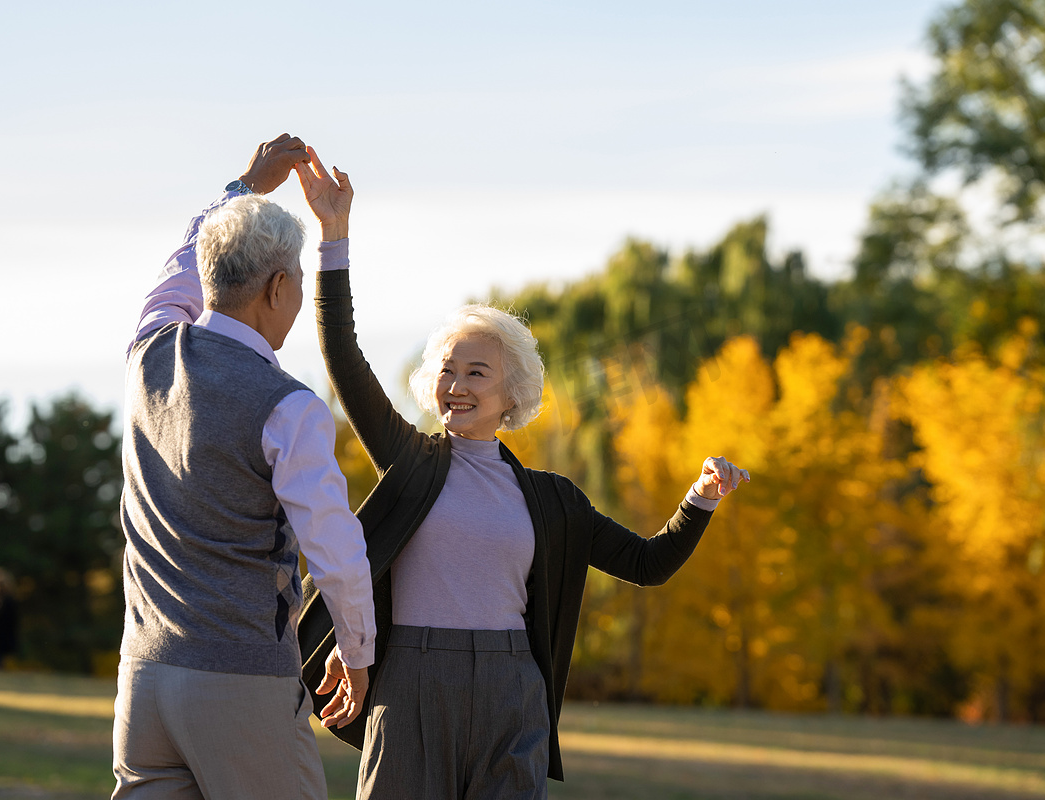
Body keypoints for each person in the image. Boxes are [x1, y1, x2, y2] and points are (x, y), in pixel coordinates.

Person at [293, 148, 751, 799]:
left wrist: (701, 499)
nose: (455, 385)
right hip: (412, 683)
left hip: (514, 689)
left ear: (513, 394)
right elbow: (342, 355)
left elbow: (648, 565)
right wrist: (332, 242)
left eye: (476, 372)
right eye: (446, 370)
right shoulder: (410, 461)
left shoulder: (551, 501)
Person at [114, 134, 376, 799]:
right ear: (281, 286)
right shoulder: (288, 407)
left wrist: (242, 188)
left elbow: (179, 268)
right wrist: (357, 648)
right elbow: (335, 549)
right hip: (241, 681)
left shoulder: (148, 352)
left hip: (143, 679)